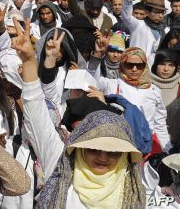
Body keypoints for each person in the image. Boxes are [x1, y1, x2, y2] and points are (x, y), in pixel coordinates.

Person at [11, 18, 146, 208]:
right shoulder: (61, 163)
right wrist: (29, 61)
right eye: (92, 149)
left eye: (113, 152)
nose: (102, 157)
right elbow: (36, 113)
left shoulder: (133, 188)